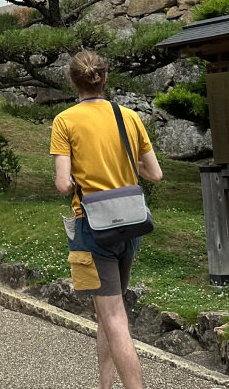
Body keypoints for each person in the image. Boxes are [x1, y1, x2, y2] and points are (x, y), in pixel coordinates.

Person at [50, 51, 163, 389]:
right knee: (106, 312)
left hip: (92, 228)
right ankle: (105, 385)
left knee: (113, 317)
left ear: (73, 81)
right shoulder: (127, 116)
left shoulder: (65, 121)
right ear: (104, 78)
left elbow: (62, 184)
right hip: (130, 224)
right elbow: (154, 173)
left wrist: (81, 181)